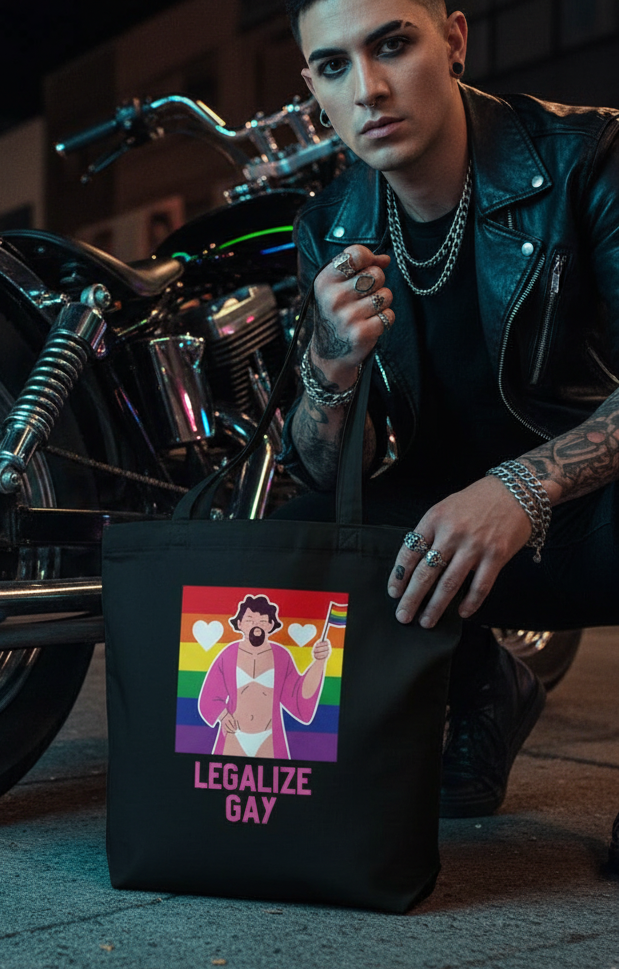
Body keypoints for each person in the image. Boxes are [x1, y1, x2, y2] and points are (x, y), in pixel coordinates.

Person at [277, 0, 618, 870]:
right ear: (312, 85)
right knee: (289, 535)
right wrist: (330, 361)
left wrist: (522, 487)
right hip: (444, 539)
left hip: (587, 511)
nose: (370, 88)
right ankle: (480, 685)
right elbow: (320, 472)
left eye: (392, 44)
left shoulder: (587, 157)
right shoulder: (330, 225)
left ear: (455, 40)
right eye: (333, 66)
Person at [198, 594, 331, 759]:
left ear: (270, 625)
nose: (256, 625)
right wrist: (223, 716)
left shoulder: (281, 655)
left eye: (262, 621)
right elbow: (209, 697)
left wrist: (319, 661)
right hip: (234, 737)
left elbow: (298, 698)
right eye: (249, 620)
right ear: (239, 624)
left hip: (269, 738)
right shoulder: (228, 654)